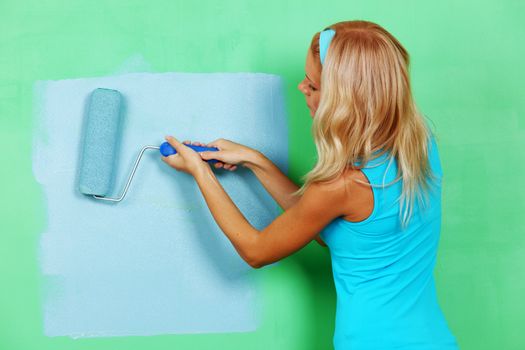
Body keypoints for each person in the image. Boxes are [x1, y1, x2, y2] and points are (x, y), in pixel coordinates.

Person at [161, 20, 459, 350]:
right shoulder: (419, 147)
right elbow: (321, 226)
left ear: (345, 101)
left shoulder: (344, 184)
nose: (302, 88)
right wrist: (255, 160)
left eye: (314, 86)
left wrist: (199, 172)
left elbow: (256, 250)